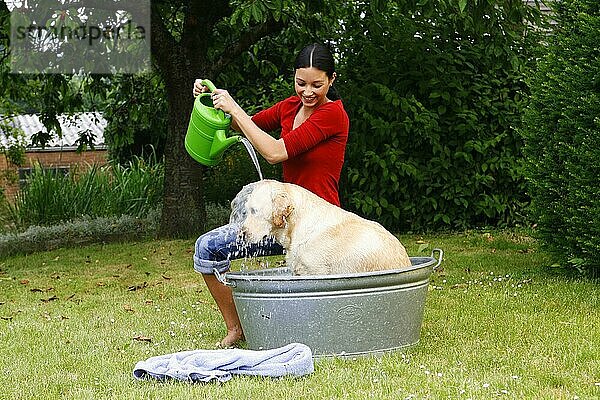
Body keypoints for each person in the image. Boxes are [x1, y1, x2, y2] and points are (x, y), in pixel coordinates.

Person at [192, 43, 350, 347]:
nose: (307, 92)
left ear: (332, 79)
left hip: (320, 227)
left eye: (317, 84)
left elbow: (276, 152)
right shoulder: (289, 108)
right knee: (207, 248)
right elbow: (241, 124)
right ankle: (238, 327)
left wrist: (234, 106)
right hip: (282, 220)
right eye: (300, 83)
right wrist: (210, 99)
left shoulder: (333, 115)